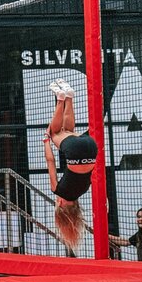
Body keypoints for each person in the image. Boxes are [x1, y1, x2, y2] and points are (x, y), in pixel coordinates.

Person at [42, 78, 97, 256]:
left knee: (67, 131)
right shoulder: (58, 191)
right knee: (55, 132)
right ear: (60, 204)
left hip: (90, 148)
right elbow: (50, 161)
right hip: (75, 153)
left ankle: (69, 97)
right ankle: (60, 99)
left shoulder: (83, 190)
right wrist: (46, 142)